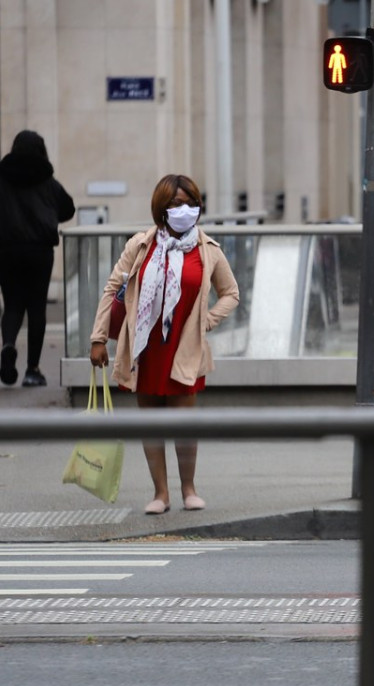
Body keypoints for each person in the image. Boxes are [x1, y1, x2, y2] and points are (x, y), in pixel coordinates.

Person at [88, 174, 239, 514]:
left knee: (184, 423)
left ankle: (189, 489)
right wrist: (98, 338)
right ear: (161, 209)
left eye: (189, 203)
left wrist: (206, 321)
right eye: (174, 204)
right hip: (145, 348)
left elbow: (231, 293)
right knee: (152, 423)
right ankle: (160, 494)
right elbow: (112, 288)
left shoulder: (208, 250)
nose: (183, 210)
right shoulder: (140, 245)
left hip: (184, 348)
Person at [0, 129, 75, 387]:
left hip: (7, 252)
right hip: (40, 252)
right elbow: (68, 208)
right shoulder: (48, 182)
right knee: (36, 307)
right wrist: (49, 216)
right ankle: (32, 370)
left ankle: (9, 345)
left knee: (13, 305)